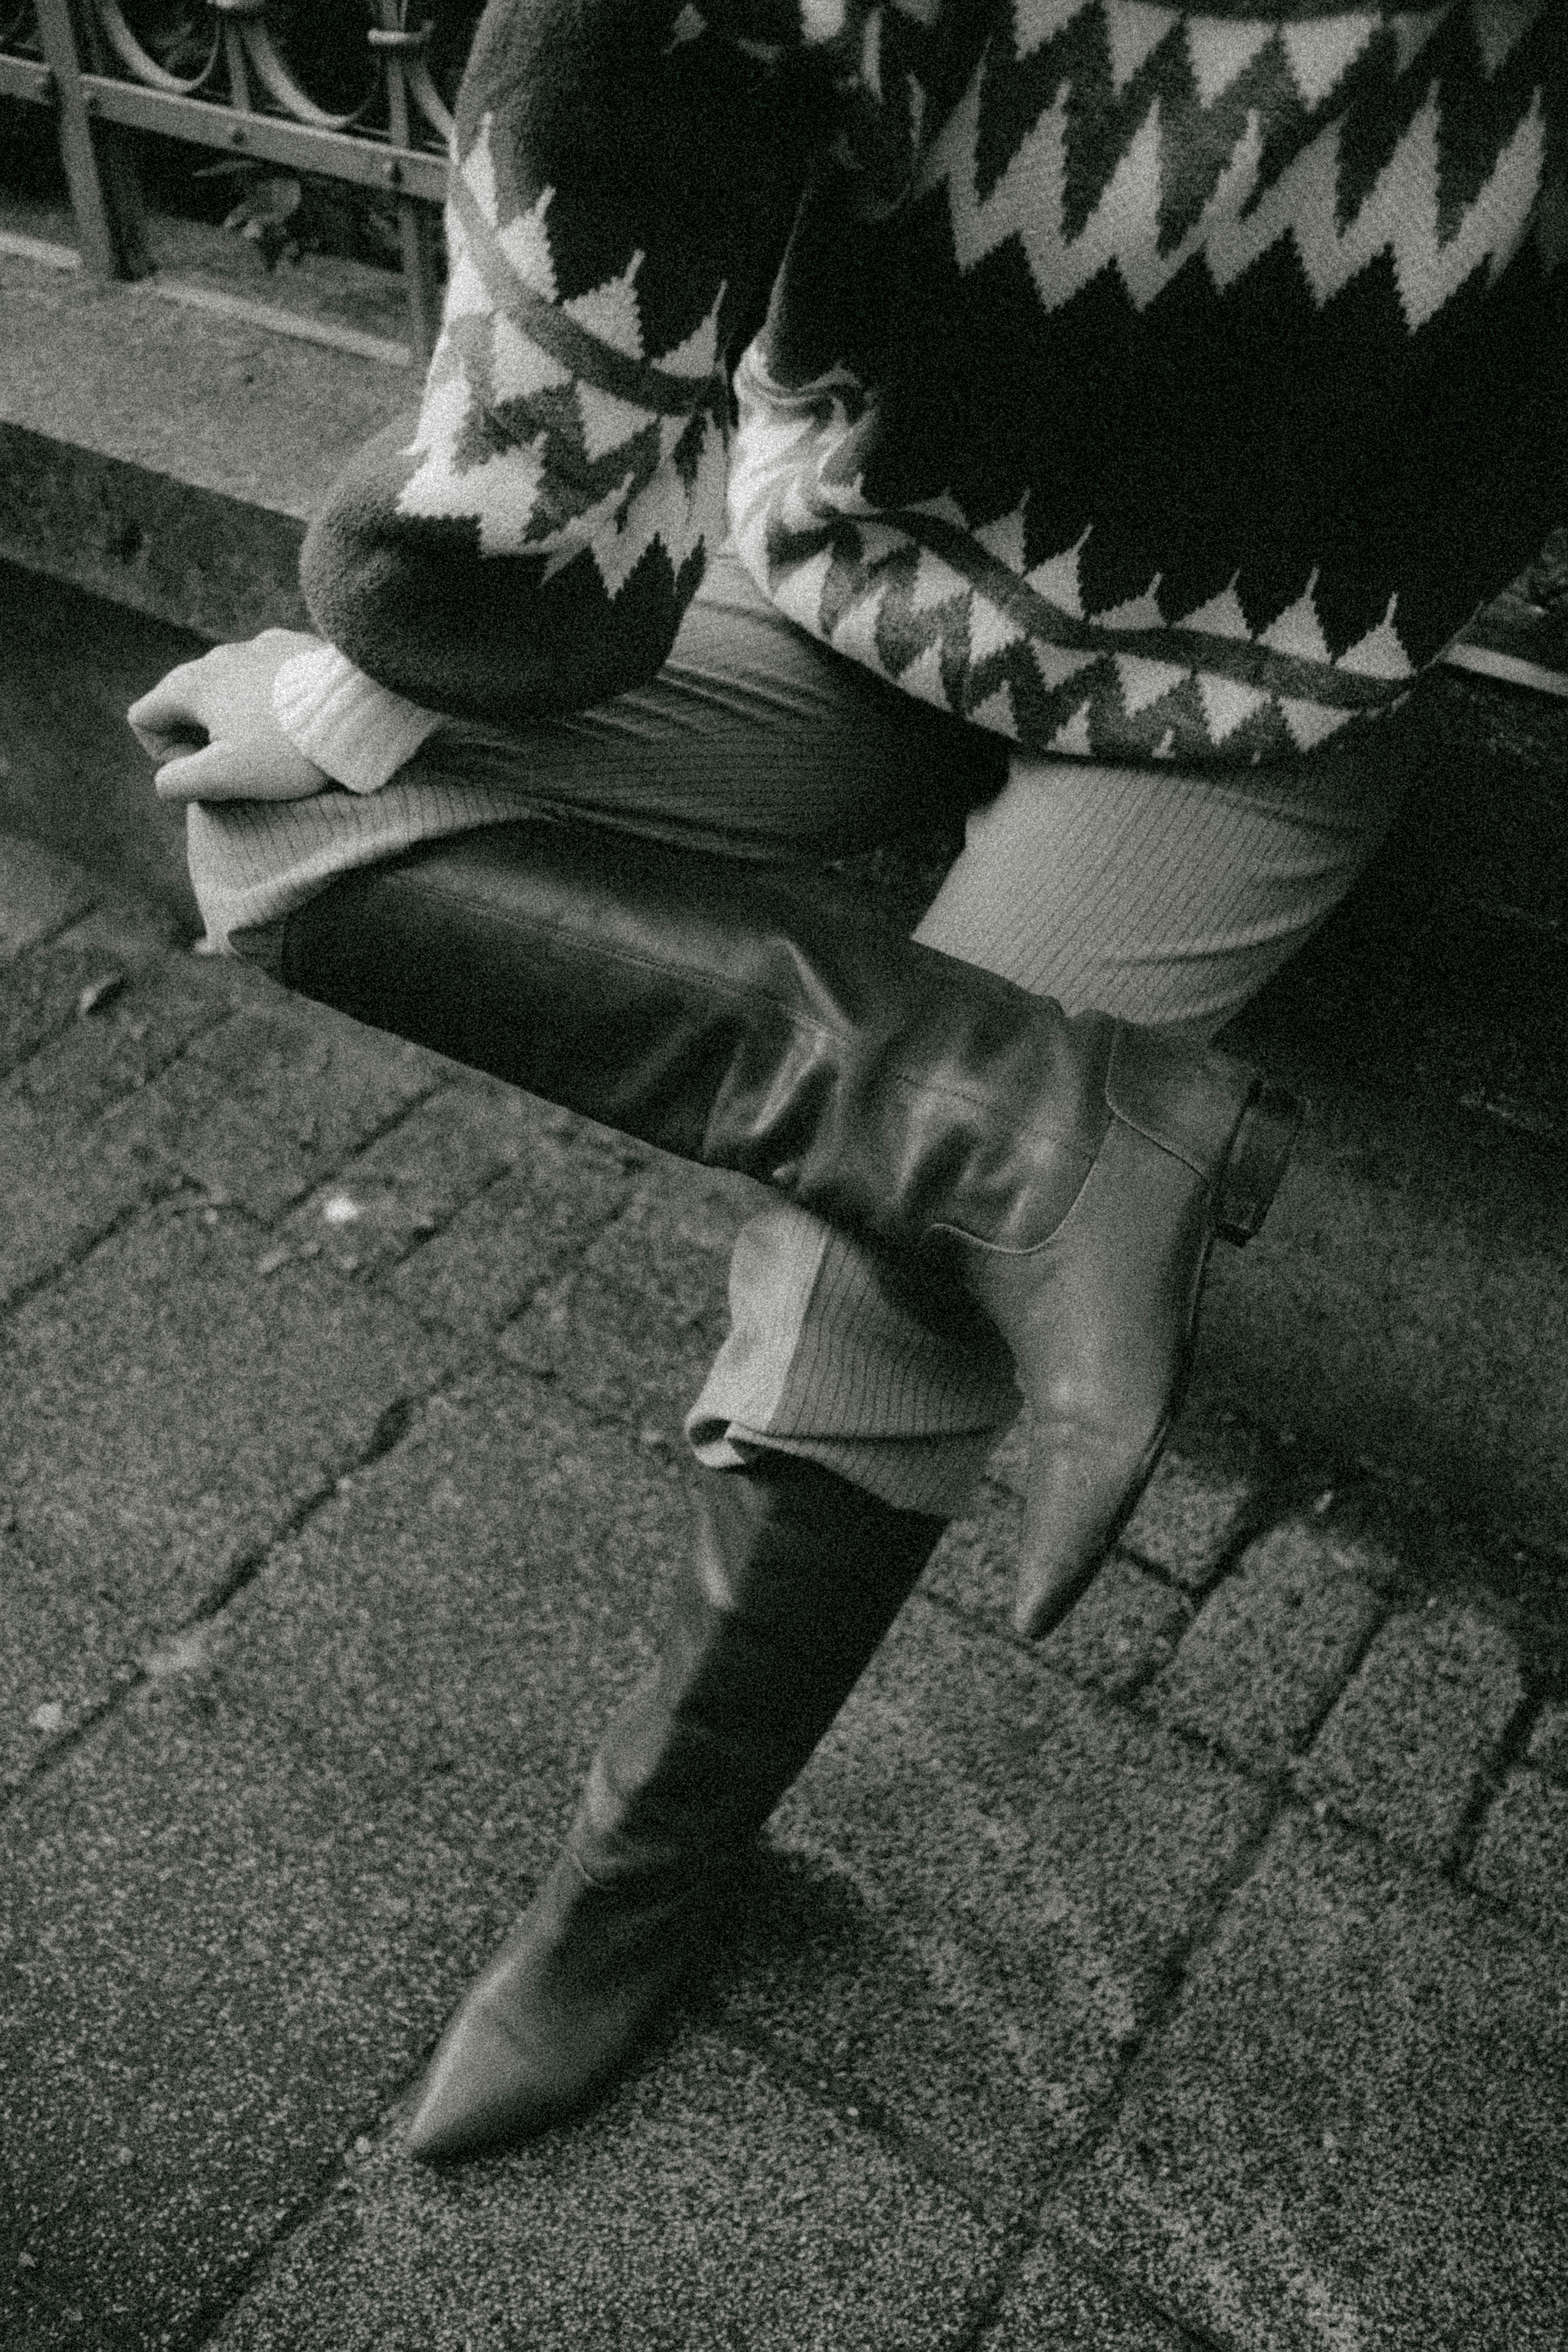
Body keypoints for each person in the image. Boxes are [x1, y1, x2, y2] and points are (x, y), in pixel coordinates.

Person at [128, 0, 1566, 2161]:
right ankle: (1020, 1127)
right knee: (274, 811)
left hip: (1252, 676)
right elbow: (628, 102)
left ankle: (643, 1877)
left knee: (873, 1289)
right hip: (848, 572)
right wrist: (412, 644)